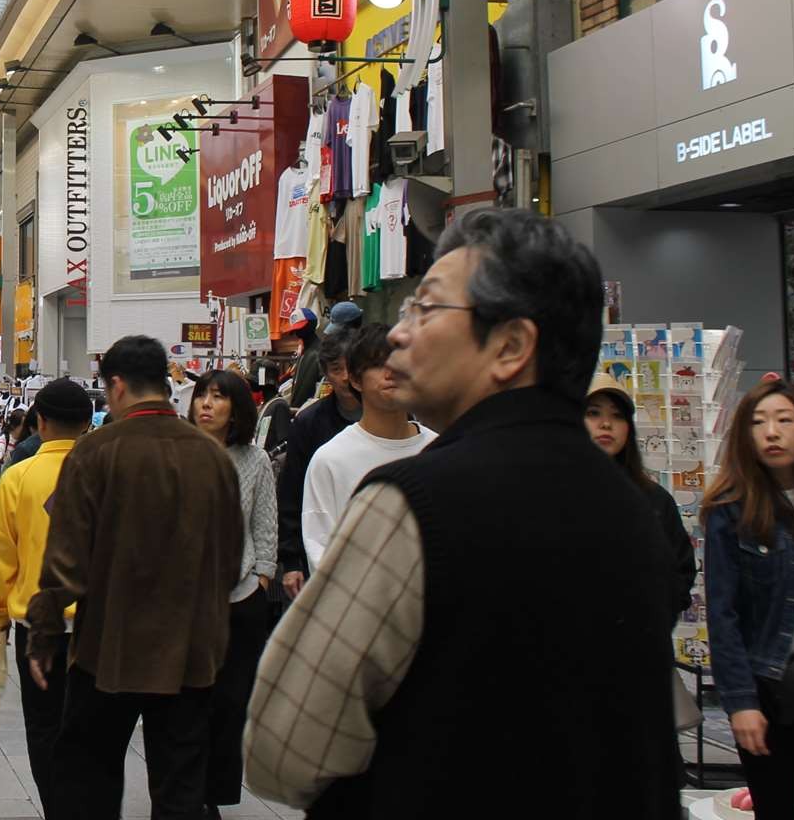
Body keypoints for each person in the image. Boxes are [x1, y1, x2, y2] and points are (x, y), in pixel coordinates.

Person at [246, 209, 678, 817]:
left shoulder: (411, 501)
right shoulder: (634, 507)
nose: (400, 335)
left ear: (510, 346)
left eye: (425, 309)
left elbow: (285, 747)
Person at [25, 336, 241, 820]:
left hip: (109, 648)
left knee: (88, 775)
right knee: (181, 783)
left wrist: (43, 632)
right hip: (190, 649)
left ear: (117, 386)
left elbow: (66, 559)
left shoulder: (95, 452)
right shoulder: (210, 457)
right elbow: (230, 558)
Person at [703, 380, 794, 815]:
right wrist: (740, 703)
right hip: (767, 686)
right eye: (758, 422)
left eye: (784, 419)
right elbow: (723, 615)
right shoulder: (730, 510)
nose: (772, 432)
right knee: (775, 807)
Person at [0, 378, 91, 812]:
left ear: (39, 422)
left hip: (37, 625)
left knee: (45, 727)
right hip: (97, 625)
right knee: (92, 728)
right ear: (88, 424)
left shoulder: (17, 477)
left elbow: (2, 556)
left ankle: (57, 809)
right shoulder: (106, 473)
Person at [188, 368, 276, 815]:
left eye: (218, 397)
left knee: (230, 704)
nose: (206, 404)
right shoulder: (179, 453)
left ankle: (214, 797)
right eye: (201, 395)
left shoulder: (254, 459)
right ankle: (185, 792)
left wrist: (262, 576)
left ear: (236, 408)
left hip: (240, 597)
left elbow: (265, 523)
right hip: (186, 601)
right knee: (188, 702)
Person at [300, 323, 434, 569]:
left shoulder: (438, 449)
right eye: (378, 364)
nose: (391, 372)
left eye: (400, 362)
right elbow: (321, 552)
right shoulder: (331, 460)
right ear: (355, 379)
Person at [584, 373, 698, 624]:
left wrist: (652, 619)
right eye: (593, 413)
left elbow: (681, 574)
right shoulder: (556, 496)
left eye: (617, 415)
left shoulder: (656, 501)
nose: (606, 424)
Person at [275, 327, 360, 598]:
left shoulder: (393, 417)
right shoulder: (309, 422)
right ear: (325, 373)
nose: (345, 377)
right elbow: (292, 491)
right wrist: (291, 560)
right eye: (336, 369)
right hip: (320, 549)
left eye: (352, 367)